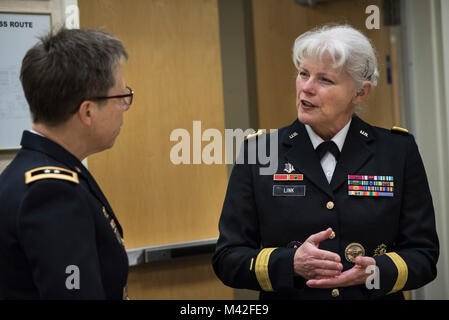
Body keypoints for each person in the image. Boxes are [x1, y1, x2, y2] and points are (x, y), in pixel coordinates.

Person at [212, 25, 439, 300]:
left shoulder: (396, 151)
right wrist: (291, 263)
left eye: (325, 80)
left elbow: (423, 256)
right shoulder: (259, 151)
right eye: (303, 73)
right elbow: (227, 258)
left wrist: (376, 271)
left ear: (360, 92)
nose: (306, 88)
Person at [0, 28, 133, 299]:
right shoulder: (52, 192)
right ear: (87, 111)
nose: (125, 106)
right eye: (121, 97)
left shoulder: (26, 172)